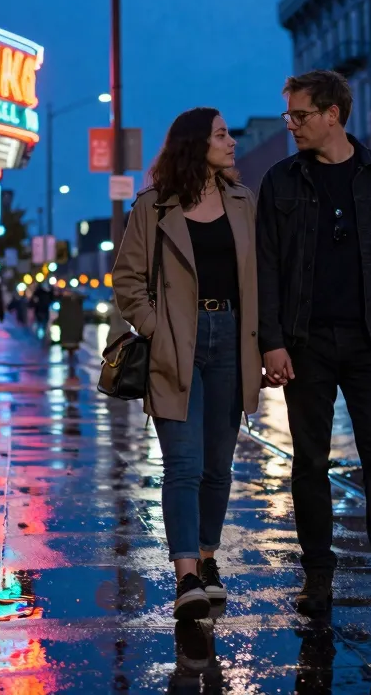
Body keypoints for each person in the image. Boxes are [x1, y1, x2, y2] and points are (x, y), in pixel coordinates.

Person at [256, 69, 371, 629]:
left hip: (370, 340)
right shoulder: (280, 181)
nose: (291, 125)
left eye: (300, 115)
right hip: (305, 344)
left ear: (333, 114)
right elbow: (264, 267)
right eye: (288, 115)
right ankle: (318, 580)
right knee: (310, 463)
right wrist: (271, 342)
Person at [113, 108, 265, 620]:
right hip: (177, 342)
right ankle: (186, 579)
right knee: (184, 464)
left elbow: (261, 278)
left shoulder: (244, 203)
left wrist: (265, 344)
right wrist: (157, 330)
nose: (231, 142)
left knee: (218, 466)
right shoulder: (154, 207)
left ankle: (206, 558)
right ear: (196, 143)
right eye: (222, 134)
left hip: (232, 339)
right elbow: (127, 280)